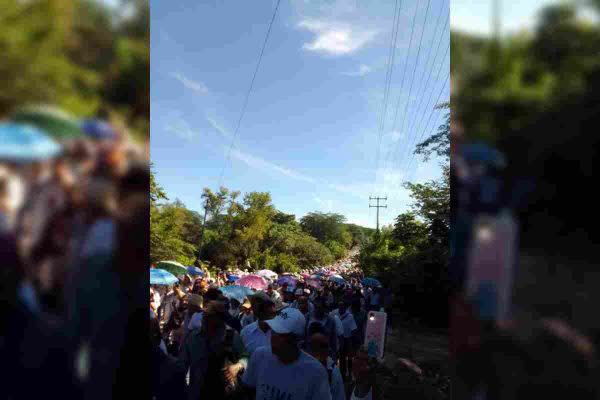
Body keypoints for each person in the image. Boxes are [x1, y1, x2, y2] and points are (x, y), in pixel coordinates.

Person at [241, 307, 332, 400]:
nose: (273, 336)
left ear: (297, 341)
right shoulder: (259, 355)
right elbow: (248, 389)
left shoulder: (316, 372)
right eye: (273, 330)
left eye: (280, 333)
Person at [177, 298, 248, 400]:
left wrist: (237, 366)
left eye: (214, 323)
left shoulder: (232, 337)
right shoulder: (193, 337)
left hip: (223, 392)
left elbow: (246, 357)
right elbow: (183, 364)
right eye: (206, 318)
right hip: (197, 392)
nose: (208, 324)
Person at [307, 330, 346, 400]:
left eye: (323, 346)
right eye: (314, 346)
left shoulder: (334, 373)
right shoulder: (300, 367)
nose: (318, 350)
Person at [304, 298, 339, 362]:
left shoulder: (330, 320)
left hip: (325, 355)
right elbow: (303, 336)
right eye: (316, 307)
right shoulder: (307, 317)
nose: (317, 310)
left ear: (324, 308)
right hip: (309, 354)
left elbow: (333, 340)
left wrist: (334, 357)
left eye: (319, 308)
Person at [333, 300, 358, 380]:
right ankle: (342, 374)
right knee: (341, 357)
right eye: (339, 306)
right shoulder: (335, 314)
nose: (340, 308)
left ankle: (350, 372)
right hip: (338, 339)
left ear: (345, 308)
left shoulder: (350, 316)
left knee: (349, 357)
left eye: (342, 307)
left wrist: (354, 341)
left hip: (347, 339)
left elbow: (354, 329)